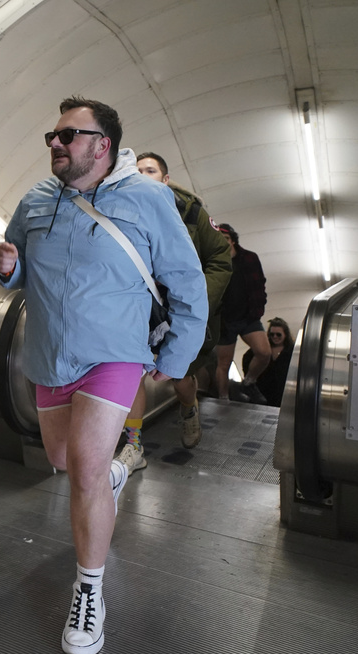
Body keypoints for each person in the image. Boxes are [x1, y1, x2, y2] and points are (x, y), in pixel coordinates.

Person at [0, 97, 207, 654]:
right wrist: (10, 269)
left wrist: (179, 356)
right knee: (64, 461)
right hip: (49, 354)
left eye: (68, 134)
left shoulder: (148, 198)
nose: (55, 144)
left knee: (84, 468)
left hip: (114, 352)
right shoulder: (36, 199)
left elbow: (187, 279)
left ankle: (89, 592)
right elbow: (17, 272)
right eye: (52, 135)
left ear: (102, 145)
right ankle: (114, 472)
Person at [114, 152, 231, 469]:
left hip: (178, 310)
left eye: (150, 170)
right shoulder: (119, 210)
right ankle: (133, 444)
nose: (142, 175)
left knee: (179, 377)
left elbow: (220, 258)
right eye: (137, 170)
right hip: (138, 309)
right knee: (132, 373)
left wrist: (195, 299)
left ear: (165, 179)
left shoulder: (191, 213)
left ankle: (188, 405)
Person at [213, 224, 270, 403]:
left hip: (248, 316)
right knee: (224, 363)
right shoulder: (212, 261)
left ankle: (249, 381)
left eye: (226, 239)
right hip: (225, 320)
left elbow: (260, 283)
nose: (223, 243)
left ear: (233, 240)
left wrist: (259, 305)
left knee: (264, 352)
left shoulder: (249, 258)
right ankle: (223, 398)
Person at [243, 317, 294, 407]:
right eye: (272, 334)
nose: (275, 337)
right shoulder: (263, 350)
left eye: (278, 335)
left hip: (283, 395)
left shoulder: (292, 351)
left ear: (285, 334)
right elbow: (246, 358)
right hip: (262, 393)